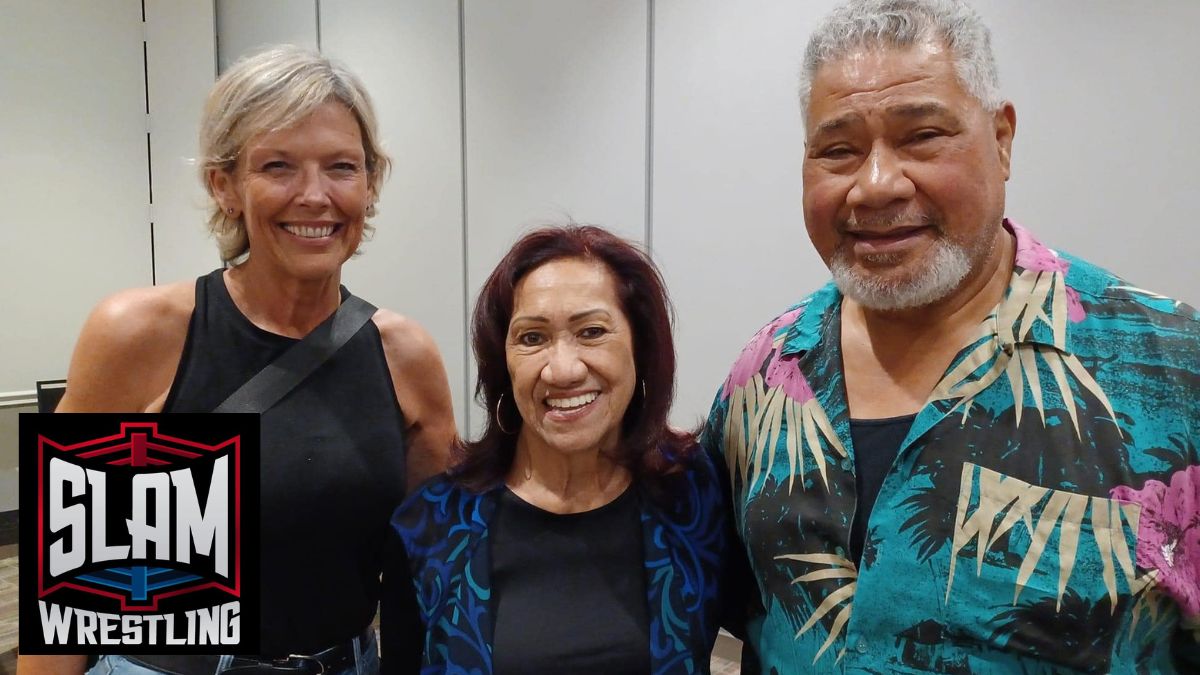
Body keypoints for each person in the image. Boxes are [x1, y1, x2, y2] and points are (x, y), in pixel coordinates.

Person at [704, 0, 1199, 672]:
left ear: (1001, 138)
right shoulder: (761, 382)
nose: (875, 185)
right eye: (838, 149)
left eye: (922, 136)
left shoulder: (1171, 373)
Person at [18, 46, 456, 675]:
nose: (314, 195)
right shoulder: (143, 334)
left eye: (341, 167)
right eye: (277, 166)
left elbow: (427, 568)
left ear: (370, 183)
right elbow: (66, 592)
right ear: (224, 185)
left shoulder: (403, 354)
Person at [382, 225, 737, 674]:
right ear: (502, 364)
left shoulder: (693, 492)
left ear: (640, 350)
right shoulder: (428, 527)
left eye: (591, 332)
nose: (562, 370)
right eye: (532, 338)